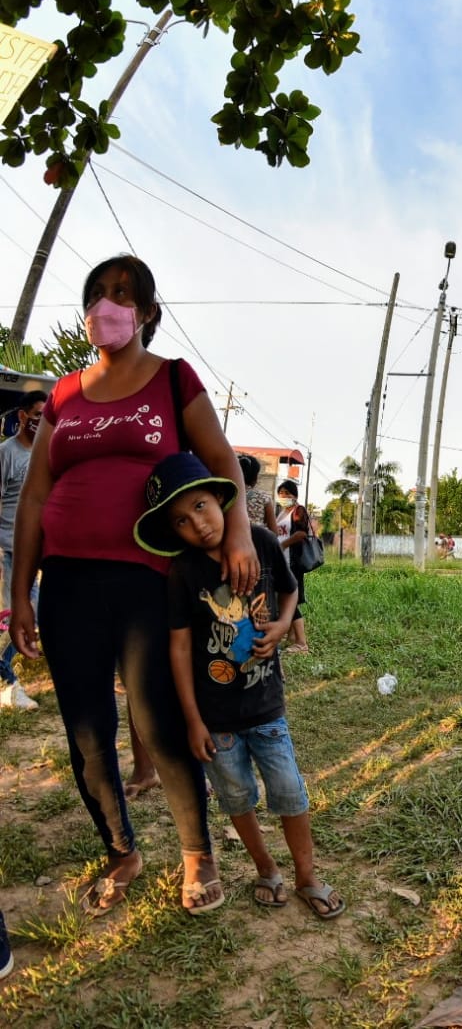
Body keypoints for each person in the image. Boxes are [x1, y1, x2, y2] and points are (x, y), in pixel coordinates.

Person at [8, 254, 257, 916]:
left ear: (147, 311)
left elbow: (220, 457)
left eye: (122, 294)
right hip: (66, 584)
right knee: (86, 731)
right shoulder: (63, 393)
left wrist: (235, 533)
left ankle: (196, 852)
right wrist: (19, 593)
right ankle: (123, 850)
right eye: (97, 293)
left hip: (151, 580)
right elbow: (35, 497)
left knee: (157, 718)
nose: (107, 304)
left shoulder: (173, 379)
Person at [137, 452, 345, 920]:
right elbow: (177, 649)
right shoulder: (184, 573)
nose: (197, 523)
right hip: (216, 719)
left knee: (290, 793)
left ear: (220, 499)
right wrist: (192, 720)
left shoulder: (260, 542)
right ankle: (266, 869)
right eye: (181, 520)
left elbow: (291, 590)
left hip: (267, 707)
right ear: (172, 532)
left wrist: (284, 625)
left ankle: (307, 875)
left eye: (201, 506)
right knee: (236, 798)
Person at [0, 390, 45, 710]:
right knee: (13, 618)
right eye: (36, 415)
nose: (41, 421)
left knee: (32, 613)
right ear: (21, 416)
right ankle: (8, 683)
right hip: (6, 549)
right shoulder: (7, 453)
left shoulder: (45, 454)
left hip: (32, 550)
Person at [275, 479, 311, 654]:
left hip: (292, 562)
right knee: (286, 598)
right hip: (281, 561)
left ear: (294, 495)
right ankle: (290, 637)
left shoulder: (298, 511)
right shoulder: (281, 513)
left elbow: (302, 533)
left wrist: (283, 545)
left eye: (287, 493)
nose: (283, 496)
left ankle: (302, 643)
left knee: (288, 600)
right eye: (281, 493)